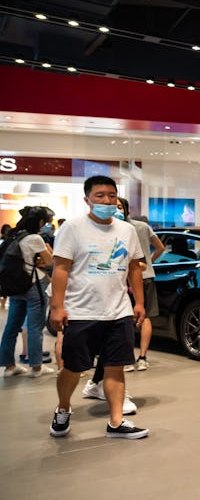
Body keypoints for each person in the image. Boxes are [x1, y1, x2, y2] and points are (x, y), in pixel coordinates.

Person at [48, 175, 149, 439]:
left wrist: (138, 302)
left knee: (115, 367)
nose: (106, 200)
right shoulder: (72, 228)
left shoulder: (126, 230)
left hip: (119, 311)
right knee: (73, 368)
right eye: (99, 196)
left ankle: (116, 422)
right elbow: (60, 268)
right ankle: (63, 407)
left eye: (111, 196)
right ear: (87, 200)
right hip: (81, 311)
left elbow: (134, 268)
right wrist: (57, 306)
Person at [0, 206, 55, 378]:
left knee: (11, 326)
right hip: (33, 285)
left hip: (15, 286)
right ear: (40, 221)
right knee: (35, 327)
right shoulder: (34, 238)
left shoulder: (12, 235)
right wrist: (47, 250)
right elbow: (49, 262)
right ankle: (37, 367)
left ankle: (9, 366)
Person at [117, 197, 164, 371]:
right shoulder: (143, 227)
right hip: (146, 276)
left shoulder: (119, 228)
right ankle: (142, 357)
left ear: (126, 210)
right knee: (145, 317)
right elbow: (160, 247)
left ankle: (129, 359)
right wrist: (149, 264)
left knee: (127, 319)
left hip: (125, 278)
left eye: (118, 206)